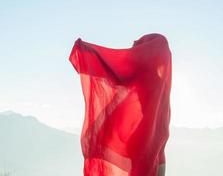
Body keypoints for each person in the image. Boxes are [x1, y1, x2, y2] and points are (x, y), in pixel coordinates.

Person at [69, 33, 172, 176]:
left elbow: (112, 71)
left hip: (143, 148)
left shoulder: (145, 79)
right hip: (156, 153)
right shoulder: (161, 83)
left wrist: (87, 53)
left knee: (94, 139)